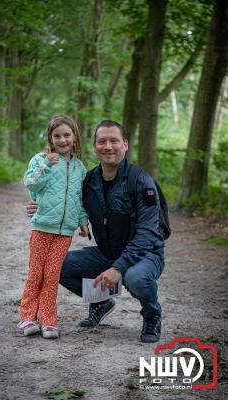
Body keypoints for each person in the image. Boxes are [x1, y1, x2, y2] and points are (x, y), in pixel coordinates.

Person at [27, 120, 165, 343]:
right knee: (55, 267)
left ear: (125, 144)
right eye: (102, 141)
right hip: (107, 253)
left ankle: (152, 315)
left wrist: (119, 268)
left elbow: (148, 234)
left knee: (136, 278)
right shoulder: (89, 180)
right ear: (94, 146)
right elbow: (65, 200)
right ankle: (101, 302)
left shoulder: (141, 181)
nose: (108, 146)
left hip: (144, 255)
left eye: (114, 141)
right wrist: (36, 205)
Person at [18, 114, 89, 339]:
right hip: (42, 227)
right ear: (50, 138)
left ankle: (48, 320)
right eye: (57, 135)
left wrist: (82, 221)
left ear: (75, 137)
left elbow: (80, 198)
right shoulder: (40, 159)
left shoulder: (80, 168)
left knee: (51, 275)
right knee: (36, 274)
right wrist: (47, 164)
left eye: (67, 135)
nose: (62, 140)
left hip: (64, 232)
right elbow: (31, 183)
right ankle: (27, 318)